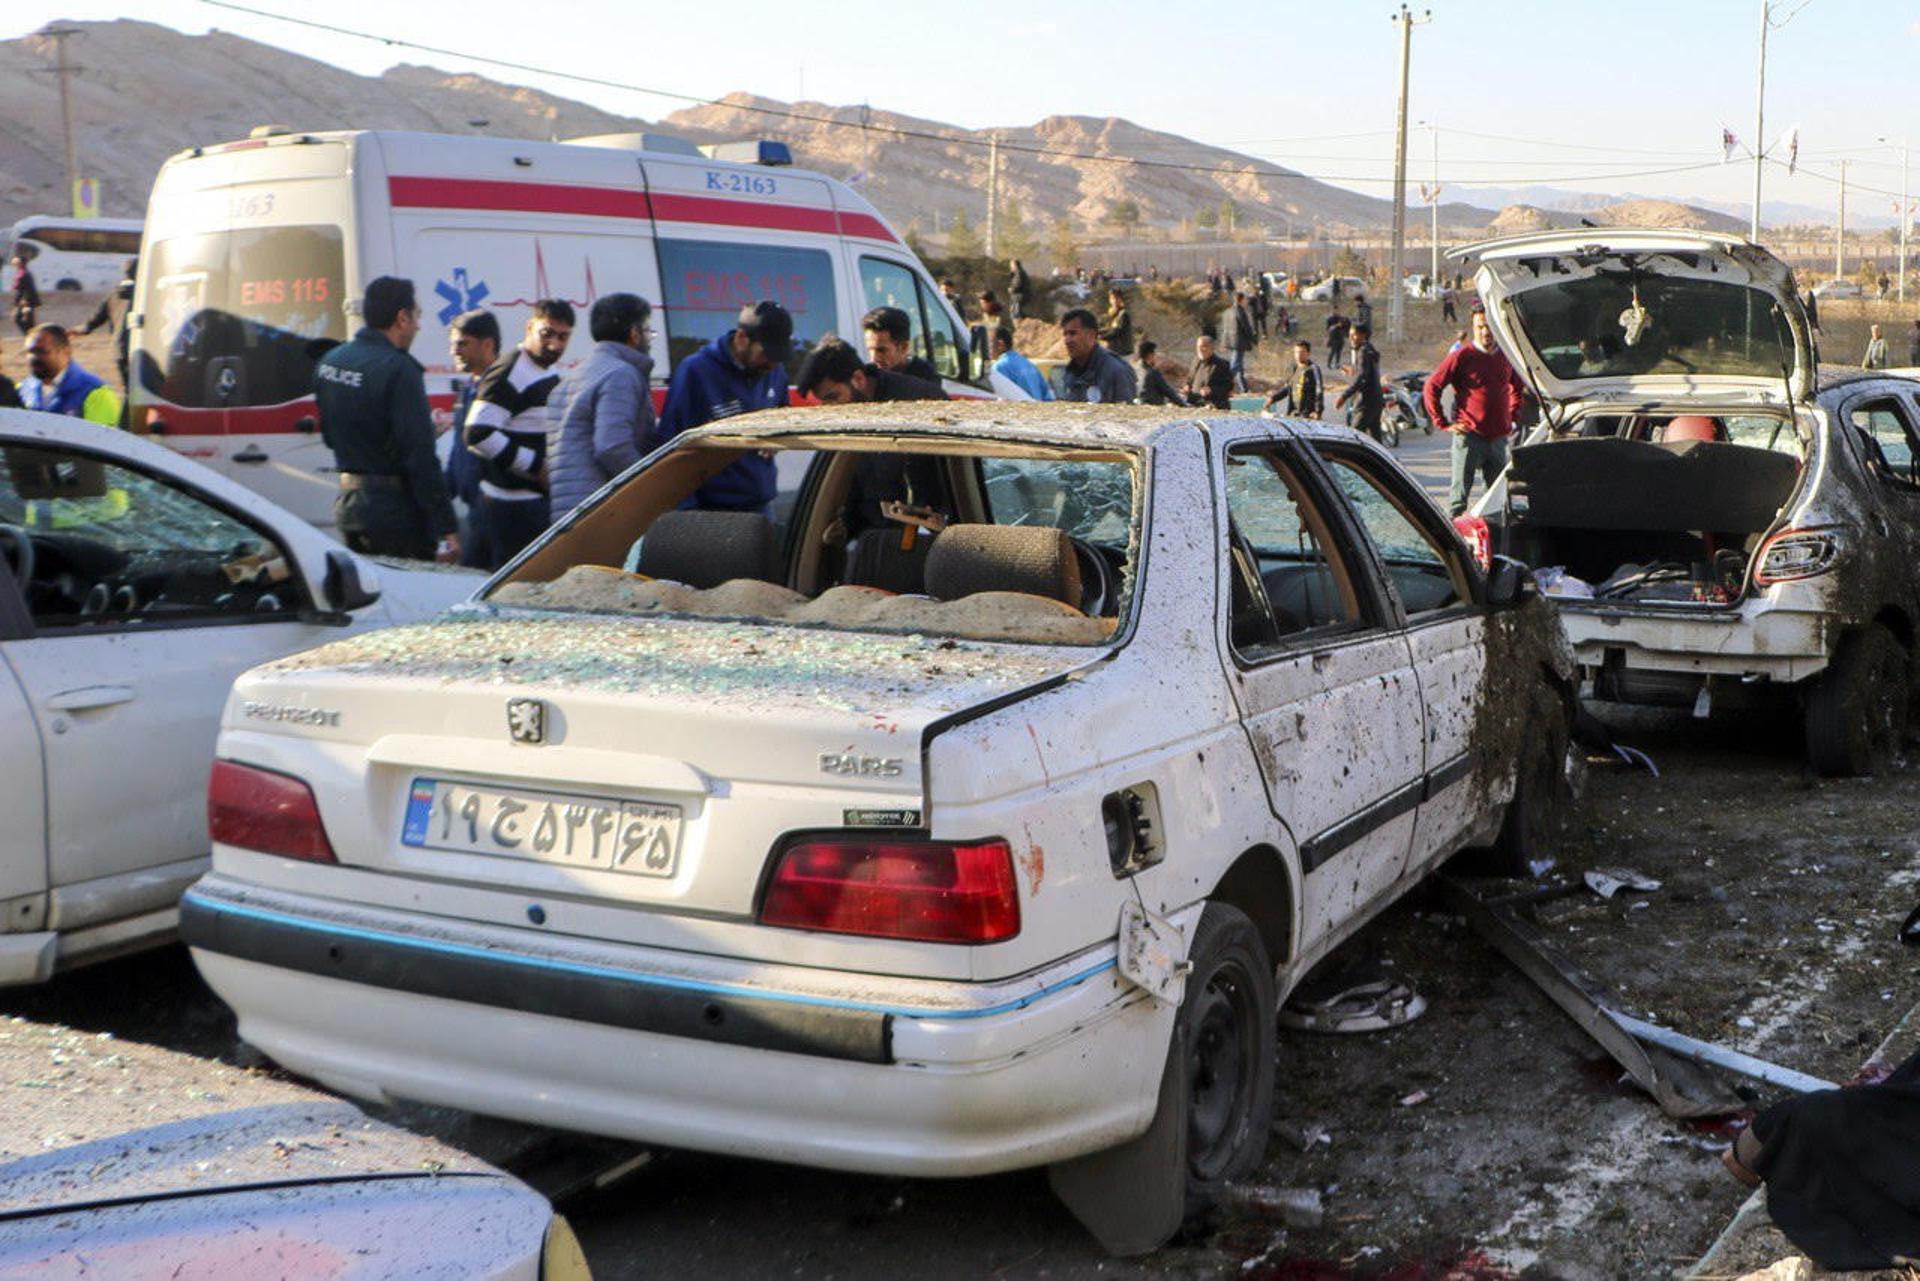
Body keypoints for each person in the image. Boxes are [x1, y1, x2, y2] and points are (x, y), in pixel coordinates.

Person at [312, 276, 458, 561]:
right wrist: (447, 527)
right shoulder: (399, 369)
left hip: (350, 505)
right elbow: (420, 458)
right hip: (395, 515)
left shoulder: (331, 360)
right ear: (401, 317)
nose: (418, 325)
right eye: (416, 316)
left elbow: (332, 436)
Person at [794, 338, 947, 536]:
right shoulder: (845, 412)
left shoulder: (919, 401)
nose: (831, 409)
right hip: (870, 535)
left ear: (858, 379)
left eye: (833, 397)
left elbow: (950, 478)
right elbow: (850, 477)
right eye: (824, 402)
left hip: (923, 534)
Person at [462, 299, 573, 568]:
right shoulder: (511, 371)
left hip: (526, 504)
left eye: (563, 337)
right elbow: (477, 433)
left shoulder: (546, 369)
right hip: (512, 508)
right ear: (529, 327)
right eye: (547, 333)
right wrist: (537, 467)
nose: (555, 344)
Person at [658, 300, 793, 512]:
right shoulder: (696, 372)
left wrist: (776, 439)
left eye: (778, 358)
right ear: (741, 338)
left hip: (761, 503)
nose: (772, 365)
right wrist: (688, 513)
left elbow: (784, 413)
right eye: (766, 355)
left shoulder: (775, 371)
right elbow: (670, 446)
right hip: (713, 509)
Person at [548, 292, 655, 523]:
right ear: (634, 334)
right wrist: (650, 485)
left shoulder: (571, 379)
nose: (649, 338)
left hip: (568, 513)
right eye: (648, 331)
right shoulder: (620, 375)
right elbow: (612, 446)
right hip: (602, 512)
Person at [1424, 306, 1528, 517]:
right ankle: (1451, 543)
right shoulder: (1462, 356)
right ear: (1473, 328)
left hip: (1498, 439)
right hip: (1469, 437)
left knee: (1497, 502)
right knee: (1458, 501)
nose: (1485, 332)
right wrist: (1442, 422)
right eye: (1480, 327)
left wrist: (1512, 418)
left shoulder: (1506, 355)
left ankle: (1492, 544)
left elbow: (1518, 387)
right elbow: (1432, 386)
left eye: (1489, 327)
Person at [443, 309, 498, 567]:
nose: (455, 351)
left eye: (462, 343)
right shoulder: (469, 390)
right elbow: (459, 452)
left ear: (487, 345)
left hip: (495, 510)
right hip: (475, 511)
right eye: (453, 344)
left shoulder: (501, 389)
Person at [19, 324, 121, 425]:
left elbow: (104, 438)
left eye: (42, 351)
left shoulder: (95, 393)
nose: (34, 358)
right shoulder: (22, 389)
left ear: (66, 352)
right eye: (30, 352)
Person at [78, 257, 136, 392]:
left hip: (119, 349)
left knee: (129, 391)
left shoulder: (114, 294)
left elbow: (95, 320)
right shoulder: (145, 294)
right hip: (139, 349)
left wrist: (81, 329)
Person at [1057, 308, 1137, 403]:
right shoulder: (1070, 372)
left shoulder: (1116, 370)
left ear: (1091, 335)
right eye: (1065, 334)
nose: (1067, 340)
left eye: (1073, 333)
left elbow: (1126, 414)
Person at [862, 305, 939, 383]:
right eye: (870, 350)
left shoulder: (925, 379)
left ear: (903, 347)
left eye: (881, 350)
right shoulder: (867, 378)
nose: (873, 358)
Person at [1335, 323, 1384, 442]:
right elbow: (1364, 372)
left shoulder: (1363, 351)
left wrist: (1344, 396)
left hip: (1367, 401)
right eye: (1350, 335)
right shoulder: (1369, 349)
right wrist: (1352, 371)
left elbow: (1362, 377)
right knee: (1376, 439)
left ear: (1363, 335)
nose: (1351, 338)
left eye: (1354, 335)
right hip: (1375, 399)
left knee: (1354, 436)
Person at [1265, 340, 1325, 419]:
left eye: (1302, 352)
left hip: (1307, 414)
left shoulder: (1313, 369)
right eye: (1296, 352)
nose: (1298, 355)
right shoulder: (1295, 369)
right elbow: (1288, 388)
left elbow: (1319, 390)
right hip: (1293, 413)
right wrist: (1273, 398)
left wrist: (1318, 411)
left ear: (1308, 353)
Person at [990, 325, 1052, 400]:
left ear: (1000, 344)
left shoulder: (999, 367)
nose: (988, 348)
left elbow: (998, 401)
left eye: (990, 343)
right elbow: (1047, 397)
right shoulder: (1029, 365)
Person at [1183, 334, 1234, 410]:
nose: (1200, 349)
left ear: (1212, 348)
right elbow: (1189, 379)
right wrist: (1186, 386)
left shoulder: (1221, 364)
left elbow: (1228, 388)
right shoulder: (1196, 361)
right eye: (1198, 347)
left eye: (1203, 346)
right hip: (1194, 403)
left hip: (1214, 405)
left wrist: (1211, 390)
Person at [1222, 291, 1256, 392]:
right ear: (1241, 300)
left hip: (1231, 341)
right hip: (1239, 341)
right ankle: (1224, 382)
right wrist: (1253, 339)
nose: (1247, 301)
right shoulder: (1240, 311)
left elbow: (1225, 329)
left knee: (1239, 365)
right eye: (1245, 299)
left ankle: (1244, 388)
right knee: (1235, 364)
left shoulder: (1228, 311)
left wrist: (1224, 342)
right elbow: (1246, 327)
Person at [1135, 339, 1183, 406]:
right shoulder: (1152, 373)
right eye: (1154, 354)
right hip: (1153, 406)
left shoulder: (1135, 368)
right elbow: (1167, 391)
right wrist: (1184, 404)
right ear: (1150, 355)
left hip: (1140, 404)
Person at [1099, 288, 1134, 357]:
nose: (1114, 301)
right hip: (1115, 352)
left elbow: (1117, 331)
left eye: (1117, 298)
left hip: (1123, 354)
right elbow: (1111, 329)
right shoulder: (1113, 314)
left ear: (1121, 299)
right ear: (1110, 300)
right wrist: (1097, 331)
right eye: (1112, 298)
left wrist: (1101, 337)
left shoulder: (1123, 314)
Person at [10, 254, 39, 336]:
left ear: (21, 263)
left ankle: (31, 337)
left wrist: (18, 303)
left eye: (17, 263)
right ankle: (31, 337)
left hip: (26, 301)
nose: (15, 265)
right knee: (27, 321)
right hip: (27, 301)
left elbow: (20, 288)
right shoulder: (24, 272)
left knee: (20, 319)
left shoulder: (23, 274)